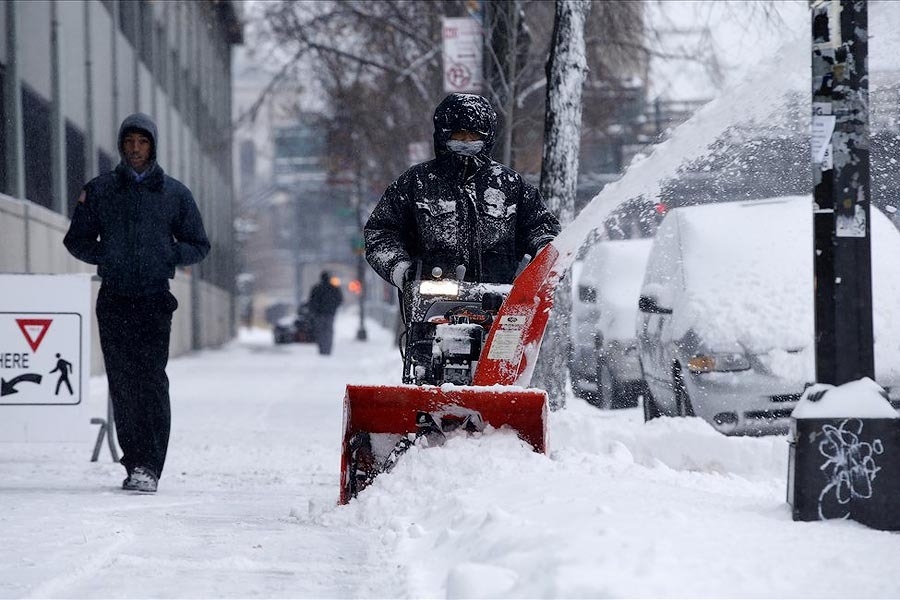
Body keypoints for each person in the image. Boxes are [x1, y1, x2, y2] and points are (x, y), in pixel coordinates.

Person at [64, 113, 210, 494]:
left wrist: (168, 255)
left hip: (154, 300)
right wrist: (106, 256)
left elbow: (199, 244)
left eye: (142, 142)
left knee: (151, 383)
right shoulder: (100, 191)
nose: (134, 148)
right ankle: (134, 465)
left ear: (153, 146)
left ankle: (151, 465)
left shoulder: (174, 194)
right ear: (120, 145)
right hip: (113, 298)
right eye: (128, 141)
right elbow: (75, 239)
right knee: (123, 385)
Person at [364, 92, 560, 290]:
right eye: (459, 134)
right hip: (432, 301)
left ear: (487, 137)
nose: (467, 140)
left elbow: (542, 228)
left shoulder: (511, 185)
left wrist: (545, 256)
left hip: (501, 301)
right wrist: (402, 271)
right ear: (444, 135)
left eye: (475, 135)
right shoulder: (416, 183)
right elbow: (380, 233)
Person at [308, 271, 343, 355]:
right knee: (328, 331)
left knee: (320, 331)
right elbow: (339, 299)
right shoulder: (334, 288)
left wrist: (314, 311)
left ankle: (322, 349)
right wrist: (333, 308)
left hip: (319, 314)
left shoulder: (316, 288)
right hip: (330, 314)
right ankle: (328, 349)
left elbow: (312, 301)